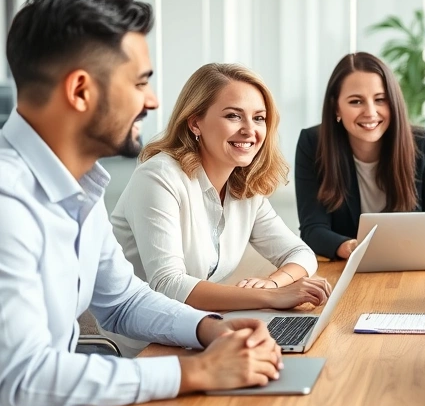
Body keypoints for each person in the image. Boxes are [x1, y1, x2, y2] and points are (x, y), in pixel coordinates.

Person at [0, 0, 282, 406]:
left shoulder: (78, 183)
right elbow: (25, 382)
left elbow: (121, 301)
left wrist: (210, 328)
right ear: (81, 90)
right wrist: (196, 372)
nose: (152, 99)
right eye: (140, 81)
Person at [111, 63, 329, 313]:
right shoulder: (158, 177)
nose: (250, 130)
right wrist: (272, 297)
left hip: (198, 323)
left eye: (259, 118)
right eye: (233, 116)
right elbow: (168, 285)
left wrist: (272, 284)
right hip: (147, 340)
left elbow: (300, 253)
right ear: (195, 123)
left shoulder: (244, 186)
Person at [296, 52, 425, 259]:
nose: (370, 112)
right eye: (356, 102)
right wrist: (347, 247)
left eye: (380, 99)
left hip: (409, 264)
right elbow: (312, 230)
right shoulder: (313, 143)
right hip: (348, 267)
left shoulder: (420, 142)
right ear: (336, 107)